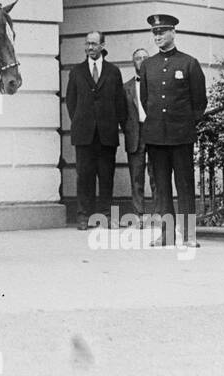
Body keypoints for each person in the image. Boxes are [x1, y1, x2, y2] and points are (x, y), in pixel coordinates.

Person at [140, 13, 208, 247]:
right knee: (162, 187)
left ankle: (189, 235)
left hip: (181, 137)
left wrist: (185, 124)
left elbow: (200, 102)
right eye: (155, 33)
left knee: (185, 186)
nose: (157, 36)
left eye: (162, 32)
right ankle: (166, 234)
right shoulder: (148, 65)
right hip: (156, 136)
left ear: (173, 33)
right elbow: (145, 99)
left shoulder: (189, 63)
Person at [65, 32, 128, 229]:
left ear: (102, 45)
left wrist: (114, 125)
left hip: (106, 134)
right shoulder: (76, 72)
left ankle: (106, 216)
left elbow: (120, 103)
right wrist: (81, 122)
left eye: (94, 44)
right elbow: (71, 102)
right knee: (84, 177)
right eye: (87, 44)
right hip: (84, 135)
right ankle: (84, 216)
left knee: (106, 176)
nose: (90, 48)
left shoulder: (113, 71)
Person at [123, 48, 150, 217]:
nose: (141, 61)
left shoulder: (157, 84)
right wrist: (128, 128)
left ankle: (160, 214)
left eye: (144, 58)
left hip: (153, 132)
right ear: (134, 62)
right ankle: (138, 215)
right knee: (136, 177)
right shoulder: (126, 87)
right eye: (138, 58)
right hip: (135, 134)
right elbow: (120, 112)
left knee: (157, 176)